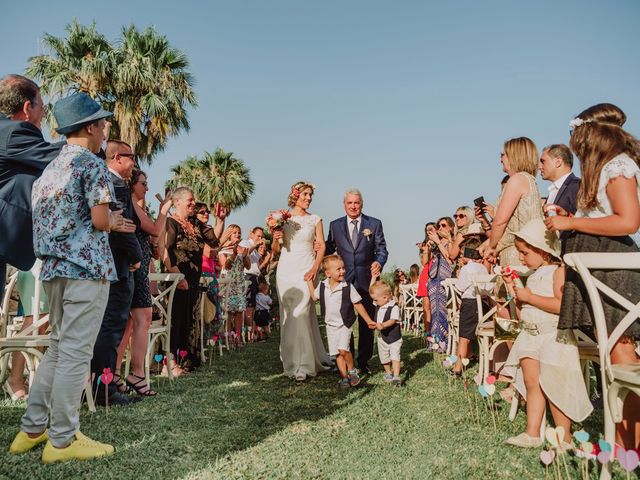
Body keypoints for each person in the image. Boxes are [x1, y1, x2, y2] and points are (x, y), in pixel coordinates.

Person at [10, 93, 133, 462]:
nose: (104, 129)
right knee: (76, 353)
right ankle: (62, 440)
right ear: (92, 127)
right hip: (85, 270)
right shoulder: (92, 166)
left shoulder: (50, 169)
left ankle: (32, 429)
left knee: (59, 349)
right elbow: (99, 220)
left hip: (53, 270)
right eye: (102, 124)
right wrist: (114, 221)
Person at [545, 103, 640, 449]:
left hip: (613, 268)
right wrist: (568, 215)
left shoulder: (619, 166)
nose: (574, 142)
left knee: (621, 355)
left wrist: (571, 222)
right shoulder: (602, 170)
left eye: (576, 135)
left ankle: (631, 447)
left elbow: (628, 221)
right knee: (611, 354)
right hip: (598, 265)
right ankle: (623, 442)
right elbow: (604, 215)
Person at [503, 219, 592, 448]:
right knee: (532, 384)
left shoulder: (558, 271)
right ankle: (532, 432)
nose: (521, 258)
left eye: (524, 253)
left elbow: (561, 305)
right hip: (530, 336)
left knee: (555, 385)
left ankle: (564, 438)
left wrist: (530, 297)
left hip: (552, 336)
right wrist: (514, 291)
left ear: (542, 250)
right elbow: (523, 313)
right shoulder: (532, 275)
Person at [0, 74, 64, 301]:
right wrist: (85, 135)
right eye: (42, 107)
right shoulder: (13, 132)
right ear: (27, 107)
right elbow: (57, 157)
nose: (43, 114)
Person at [91, 140, 143, 406]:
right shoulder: (114, 184)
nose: (134, 163)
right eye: (131, 157)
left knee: (110, 327)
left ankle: (101, 385)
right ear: (118, 158)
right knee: (111, 327)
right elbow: (125, 226)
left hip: (109, 263)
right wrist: (136, 258)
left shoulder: (111, 182)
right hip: (117, 264)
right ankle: (104, 388)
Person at [114, 169, 172, 397]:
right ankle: (135, 373)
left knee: (131, 324)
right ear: (132, 185)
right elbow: (156, 229)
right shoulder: (131, 204)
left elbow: (156, 239)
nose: (147, 188)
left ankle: (120, 373)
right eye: (143, 183)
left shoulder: (138, 207)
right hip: (135, 269)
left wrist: (161, 215)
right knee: (142, 319)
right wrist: (164, 210)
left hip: (142, 268)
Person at [163, 187, 228, 372]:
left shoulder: (195, 223)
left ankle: (185, 360)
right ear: (177, 202)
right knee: (176, 320)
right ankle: (169, 362)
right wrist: (177, 275)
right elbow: (166, 251)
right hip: (177, 279)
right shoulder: (170, 223)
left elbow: (213, 241)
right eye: (189, 201)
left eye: (193, 200)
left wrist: (220, 220)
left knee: (189, 321)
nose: (193, 203)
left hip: (194, 279)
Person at [272, 181, 331, 381]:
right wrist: (275, 236)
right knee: (289, 313)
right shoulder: (281, 219)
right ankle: (291, 361)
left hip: (306, 268)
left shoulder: (315, 219)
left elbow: (322, 246)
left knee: (303, 311)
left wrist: (315, 268)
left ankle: (304, 365)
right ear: (295, 195)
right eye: (305, 194)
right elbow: (275, 250)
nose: (308, 198)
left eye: (310, 195)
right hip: (286, 269)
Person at [325, 188, 388, 375]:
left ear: (362, 204)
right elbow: (329, 247)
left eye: (356, 202)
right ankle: (346, 359)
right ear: (344, 205)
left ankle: (364, 361)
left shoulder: (374, 224)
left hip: (367, 280)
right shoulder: (335, 225)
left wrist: (379, 261)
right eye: (350, 203)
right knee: (345, 321)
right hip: (343, 280)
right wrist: (318, 245)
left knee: (366, 322)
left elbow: (382, 249)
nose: (353, 206)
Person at [307, 255, 375, 388]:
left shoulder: (348, 287)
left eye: (343, 268)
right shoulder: (322, 286)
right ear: (328, 273)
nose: (343, 271)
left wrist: (368, 320)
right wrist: (309, 282)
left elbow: (358, 305)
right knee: (337, 354)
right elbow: (314, 297)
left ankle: (352, 371)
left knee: (343, 349)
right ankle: (344, 378)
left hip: (345, 323)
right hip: (330, 325)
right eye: (338, 269)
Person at [481, 137, 544, 268]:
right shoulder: (528, 180)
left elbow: (501, 221)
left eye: (503, 155)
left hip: (516, 253)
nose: (500, 159)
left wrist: (492, 247)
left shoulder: (517, 180)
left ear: (514, 155)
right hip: (521, 248)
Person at [451, 233, 491, 375]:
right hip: (484, 305)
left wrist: (460, 274)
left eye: (462, 253)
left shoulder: (467, 269)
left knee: (464, 338)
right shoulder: (483, 269)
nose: (460, 256)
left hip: (469, 304)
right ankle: (487, 362)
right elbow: (488, 289)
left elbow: (459, 288)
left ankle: (457, 368)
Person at [539, 144, 580, 247]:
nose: (540, 167)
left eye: (543, 161)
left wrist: (566, 216)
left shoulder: (577, 185)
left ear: (558, 162)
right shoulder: (554, 189)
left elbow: (585, 220)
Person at [218, 224, 250, 344]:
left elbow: (248, 266)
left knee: (239, 311)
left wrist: (244, 255)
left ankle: (238, 336)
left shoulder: (243, 249)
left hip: (239, 283)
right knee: (229, 310)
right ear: (229, 235)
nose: (237, 235)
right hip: (228, 283)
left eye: (239, 233)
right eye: (234, 233)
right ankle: (228, 337)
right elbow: (225, 265)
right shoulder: (223, 249)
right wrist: (234, 254)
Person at [426, 216, 454, 351]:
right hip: (433, 279)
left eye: (443, 225)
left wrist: (439, 242)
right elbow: (425, 261)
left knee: (443, 311)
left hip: (445, 279)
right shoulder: (437, 243)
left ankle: (445, 341)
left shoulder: (451, 241)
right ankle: (435, 341)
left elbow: (450, 257)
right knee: (434, 311)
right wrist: (429, 247)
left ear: (450, 227)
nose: (440, 228)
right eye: (439, 226)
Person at [370, 281, 403, 386]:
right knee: (384, 357)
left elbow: (393, 320)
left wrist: (383, 325)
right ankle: (389, 373)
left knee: (395, 356)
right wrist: (374, 278)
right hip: (382, 337)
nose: (374, 301)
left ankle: (396, 376)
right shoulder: (379, 304)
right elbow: (371, 292)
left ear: (385, 298)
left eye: (375, 300)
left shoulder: (394, 307)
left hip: (394, 338)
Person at [240, 227, 266, 341]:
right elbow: (244, 254)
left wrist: (261, 253)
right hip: (247, 276)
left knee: (252, 306)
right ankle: (248, 335)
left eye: (261, 236)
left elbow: (256, 265)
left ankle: (251, 333)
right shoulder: (246, 243)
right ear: (251, 234)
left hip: (254, 277)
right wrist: (255, 246)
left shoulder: (255, 249)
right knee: (248, 306)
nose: (260, 238)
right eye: (258, 236)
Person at [416, 222, 436, 334]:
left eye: (431, 229)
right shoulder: (424, 244)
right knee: (427, 305)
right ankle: (428, 331)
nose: (429, 231)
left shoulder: (441, 242)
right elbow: (424, 262)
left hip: (439, 274)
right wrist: (426, 250)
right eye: (427, 230)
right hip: (427, 274)